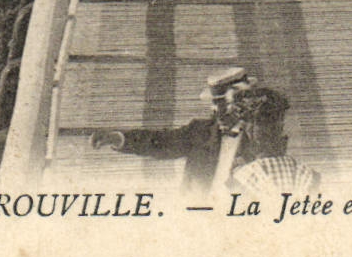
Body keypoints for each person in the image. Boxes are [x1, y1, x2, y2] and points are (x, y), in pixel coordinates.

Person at [90, 67, 263, 195]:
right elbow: (161, 142)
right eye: (214, 104)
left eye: (225, 105)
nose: (217, 111)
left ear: (244, 104)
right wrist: (119, 139)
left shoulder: (261, 133)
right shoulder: (200, 131)